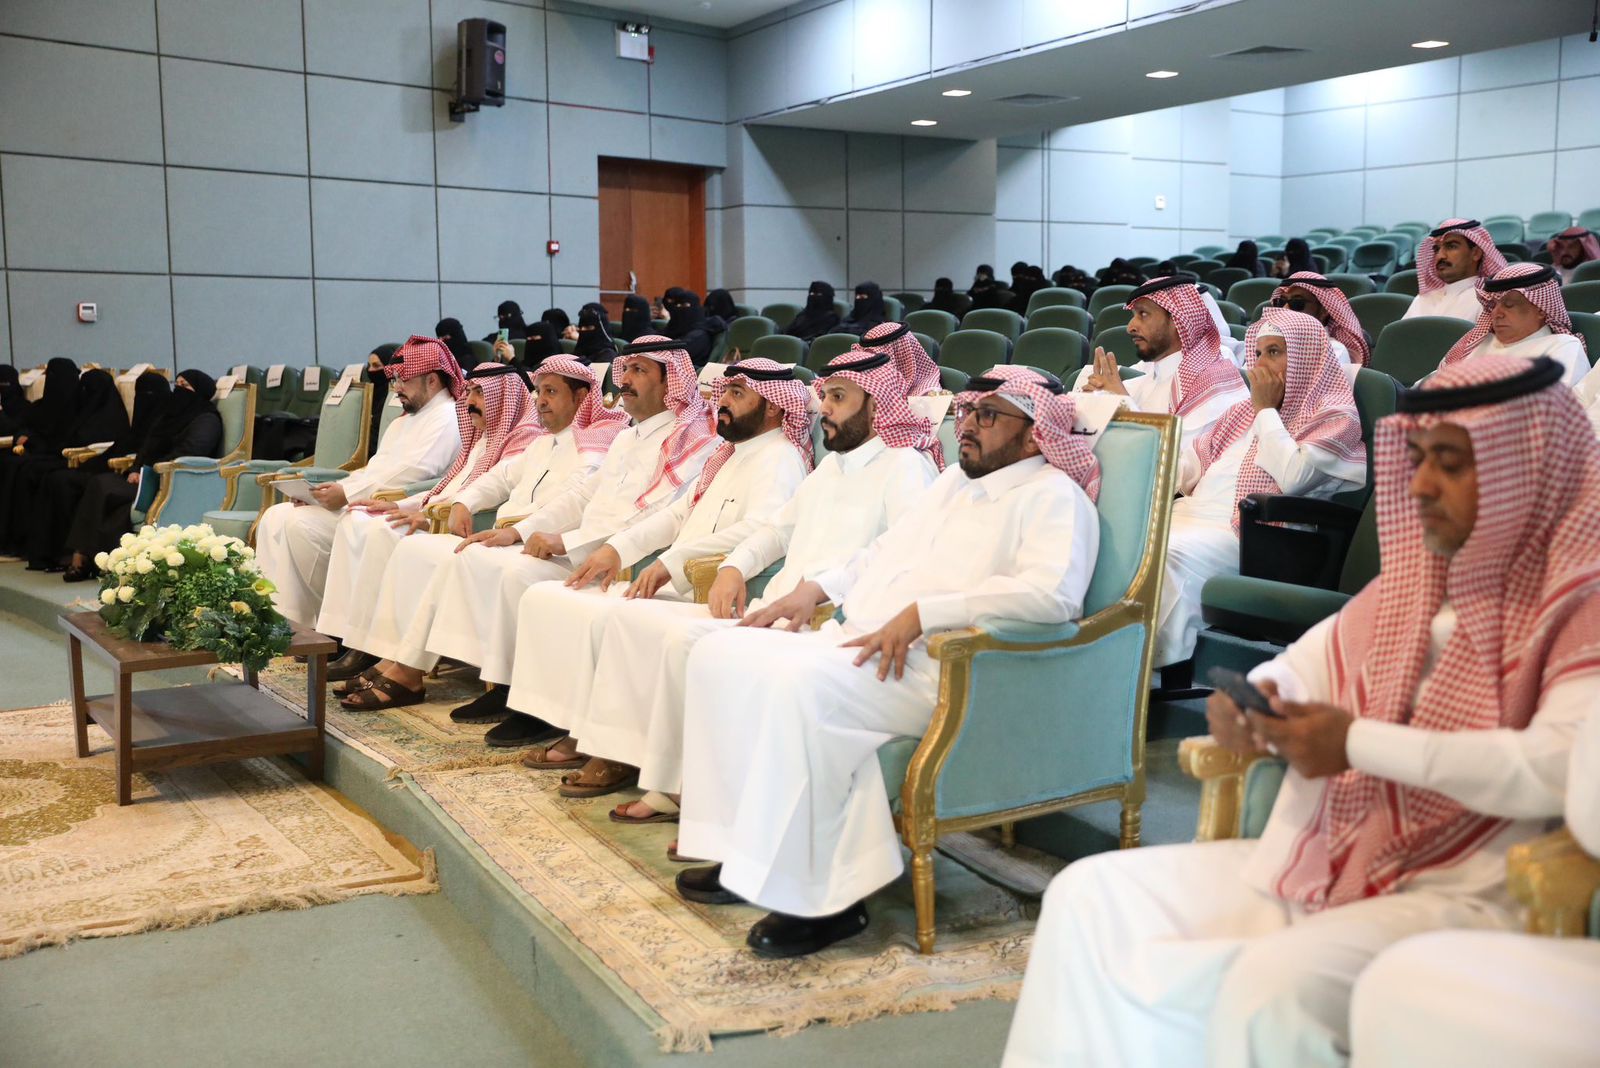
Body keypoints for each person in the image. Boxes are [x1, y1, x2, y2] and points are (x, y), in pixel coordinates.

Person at [1002, 355, 1600, 1068]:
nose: (1420, 486)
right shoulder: (1416, 582)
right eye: (1416, 460)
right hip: (1339, 850)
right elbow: (1296, 669)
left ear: (1527, 470)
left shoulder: (1580, 603)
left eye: (1450, 464)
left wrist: (1356, 745)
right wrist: (1255, 711)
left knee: (1272, 991)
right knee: (1090, 896)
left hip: (1468, 887)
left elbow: (1556, 768)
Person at [672, 366, 1102, 958]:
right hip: (865, 643)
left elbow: (1052, 597)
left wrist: (927, 613)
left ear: (1035, 436)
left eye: (988, 416)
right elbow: (880, 550)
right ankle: (746, 855)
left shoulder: (1054, 497)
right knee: (720, 656)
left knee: (800, 686)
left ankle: (827, 900)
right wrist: (815, 589)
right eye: (968, 411)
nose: (968, 425)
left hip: (946, 669)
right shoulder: (953, 483)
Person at [575, 343, 943, 826]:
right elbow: (776, 531)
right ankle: (676, 787)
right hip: (780, 612)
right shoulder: (831, 469)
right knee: (685, 643)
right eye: (825, 396)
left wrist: (820, 591)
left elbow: (899, 555)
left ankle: (721, 807)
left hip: (829, 621)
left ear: (877, 406)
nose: (824, 409)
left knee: (701, 648)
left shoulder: (905, 467)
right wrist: (734, 566)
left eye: (838, 398)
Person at [503, 358, 814, 793]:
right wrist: (617, 548)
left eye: (737, 394)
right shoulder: (731, 454)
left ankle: (617, 752)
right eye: (724, 392)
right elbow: (677, 514)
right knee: (551, 598)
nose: (722, 402)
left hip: (709, 590)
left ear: (776, 407)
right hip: (677, 580)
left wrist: (673, 562)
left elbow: (762, 530)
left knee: (621, 619)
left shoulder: (779, 458)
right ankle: (581, 728)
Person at [424, 336, 719, 743]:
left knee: (523, 580)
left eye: (639, 371)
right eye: (626, 370)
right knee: (495, 563)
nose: (625, 380)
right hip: (586, 549)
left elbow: (656, 515)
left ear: (671, 383)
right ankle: (512, 689)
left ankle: (537, 706)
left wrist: (570, 543)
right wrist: (520, 531)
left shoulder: (695, 441)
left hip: (622, 559)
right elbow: (582, 497)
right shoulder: (627, 436)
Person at [327, 358, 628, 709]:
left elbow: (574, 501)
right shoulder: (544, 442)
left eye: (551, 392)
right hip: (511, 539)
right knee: (413, 551)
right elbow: (499, 478)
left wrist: (517, 532)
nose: (541, 401)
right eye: (539, 391)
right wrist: (464, 502)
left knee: (458, 557)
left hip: (548, 547)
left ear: (580, 397)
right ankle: (393, 659)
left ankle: (411, 672)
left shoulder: (595, 442)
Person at [1346, 707, 1600, 1068]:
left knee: (1395, 988)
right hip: (1338, 872)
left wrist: (1358, 743)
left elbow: (1581, 799)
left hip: (1479, 893)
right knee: (1395, 985)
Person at [1152, 309, 1366, 669]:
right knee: (1122, 545)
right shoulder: (1241, 412)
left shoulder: (1334, 416)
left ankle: (1145, 673)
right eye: (1259, 353)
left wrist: (1266, 411)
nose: (1261, 364)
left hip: (1258, 535)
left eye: (1275, 352)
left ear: (1306, 358)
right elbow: (1186, 467)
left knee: (1165, 554)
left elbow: (1294, 478)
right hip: (1190, 516)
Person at [314, 363, 542, 700]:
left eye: (480, 393)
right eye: (470, 392)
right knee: (370, 523)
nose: (470, 402)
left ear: (503, 398)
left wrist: (430, 515)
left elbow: (484, 495)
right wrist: (401, 504)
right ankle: (368, 646)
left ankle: (389, 658)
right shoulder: (481, 438)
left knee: (387, 535)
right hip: (443, 520)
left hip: (469, 530)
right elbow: (446, 488)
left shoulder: (521, 440)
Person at [253, 337, 464, 627]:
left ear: (432, 380)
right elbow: (373, 469)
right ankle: (281, 619)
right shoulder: (402, 421)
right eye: (395, 380)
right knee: (277, 516)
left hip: (399, 507)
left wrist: (346, 493)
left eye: (404, 380)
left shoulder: (447, 416)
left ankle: (325, 626)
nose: (396, 388)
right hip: (364, 499)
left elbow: (415, 472)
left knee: (300, 525)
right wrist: (322, 494)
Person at [58, 369, 224, 579]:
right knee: (105, 491)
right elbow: (147, 447)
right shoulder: (169, 415)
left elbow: (190, 452)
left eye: (185, 386)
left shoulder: (206, 419)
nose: (179, 390)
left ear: (199, 391)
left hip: (172, 481)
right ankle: (94, 559)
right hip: (146, 477)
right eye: (177, 384)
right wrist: (136, 469)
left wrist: (149, 470)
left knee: (104, 486)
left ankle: (82, 557)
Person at [1074, 276, 1251, 449]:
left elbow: (1177, 461)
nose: (1130, 327)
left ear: (1178, 319)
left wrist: (1122, 404)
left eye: (1143, 314)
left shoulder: (1214, 386)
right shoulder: (1142, 382)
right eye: (1134, 315)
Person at [25, 371, 170, 571]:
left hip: (133, 475)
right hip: (116, 469)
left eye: (149, 393)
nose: (143, 399)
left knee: (68, 482)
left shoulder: (165, 420)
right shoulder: (144, 421)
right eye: (140, 393)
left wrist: (133, 468)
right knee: (55, 479)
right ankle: (51, 553)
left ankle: (75, 555)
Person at [0, 367, 126, 558]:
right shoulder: (80, 408)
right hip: (68, 457)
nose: (83, 392)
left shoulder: (111, 415)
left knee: (46, 476)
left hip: (88, 463)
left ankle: (55, 550)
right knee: (28, 470)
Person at [1437, 263, 1589, 387]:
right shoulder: (1478, 342)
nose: (1496, 313)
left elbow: (1549, 407)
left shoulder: (1563, 346)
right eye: (1493, 305)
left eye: (1508, 305)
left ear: (1541, 310)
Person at [1402, 219, 1507, 322]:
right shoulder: (1423, 298)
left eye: (1451, 246)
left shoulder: (1489, 300)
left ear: (1476, 253)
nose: (1440, 256)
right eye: (1436, 249)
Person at [1271, 272, 1372, 368]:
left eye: (1297, 303)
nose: (1285, 309)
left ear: (1324, 311)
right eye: (1281, 302)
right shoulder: (1269, 343)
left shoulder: (1333, 351)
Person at [660, 288, 722, 367]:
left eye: (685, 305)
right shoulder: (673, 329)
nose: (679, 309)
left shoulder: (699, 335)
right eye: (677, 305)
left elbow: (676, 355)